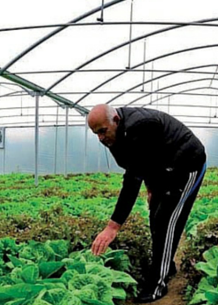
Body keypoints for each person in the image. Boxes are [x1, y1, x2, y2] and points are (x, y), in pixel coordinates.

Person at [87, 104, 207, 303]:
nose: (100, 137)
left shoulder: (141, 125)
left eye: (102, 131)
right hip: (163, 166)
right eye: (95, 133)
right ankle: (165, 266)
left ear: (115, 120)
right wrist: (152, 188)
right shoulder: (114, 138)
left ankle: (157, 284)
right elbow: (141, 162)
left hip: (187, 164)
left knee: (166, 221)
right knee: (155, 216)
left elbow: (132, 178)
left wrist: (113, 226)